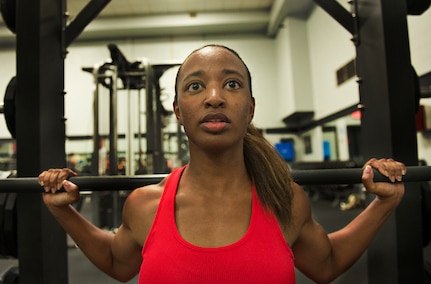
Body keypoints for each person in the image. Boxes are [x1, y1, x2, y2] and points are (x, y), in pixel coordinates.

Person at [38, 45, 406, 283]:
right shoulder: (145, 204)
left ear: (250, 108)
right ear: (179, 112)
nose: (215, 97)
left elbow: (326, 263)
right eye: (196, 87)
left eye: (232, 84)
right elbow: (118, 264)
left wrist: (384, 202)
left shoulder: (284, 199)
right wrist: (64, 213)